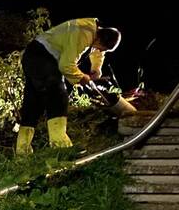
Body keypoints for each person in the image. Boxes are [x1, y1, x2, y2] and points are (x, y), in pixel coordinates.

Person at [16, 18, 122, 154]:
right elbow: (66, 65)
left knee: (33, 104)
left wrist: (96, 68)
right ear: (100, 40)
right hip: (42, 57)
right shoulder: (83, 33)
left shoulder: (95, 32)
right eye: (102, 48)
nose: (100, 51)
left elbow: (97, 52)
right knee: (58, 97)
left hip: (33, 55)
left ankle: (22, 150)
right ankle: (60, 146)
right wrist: (81, 77)